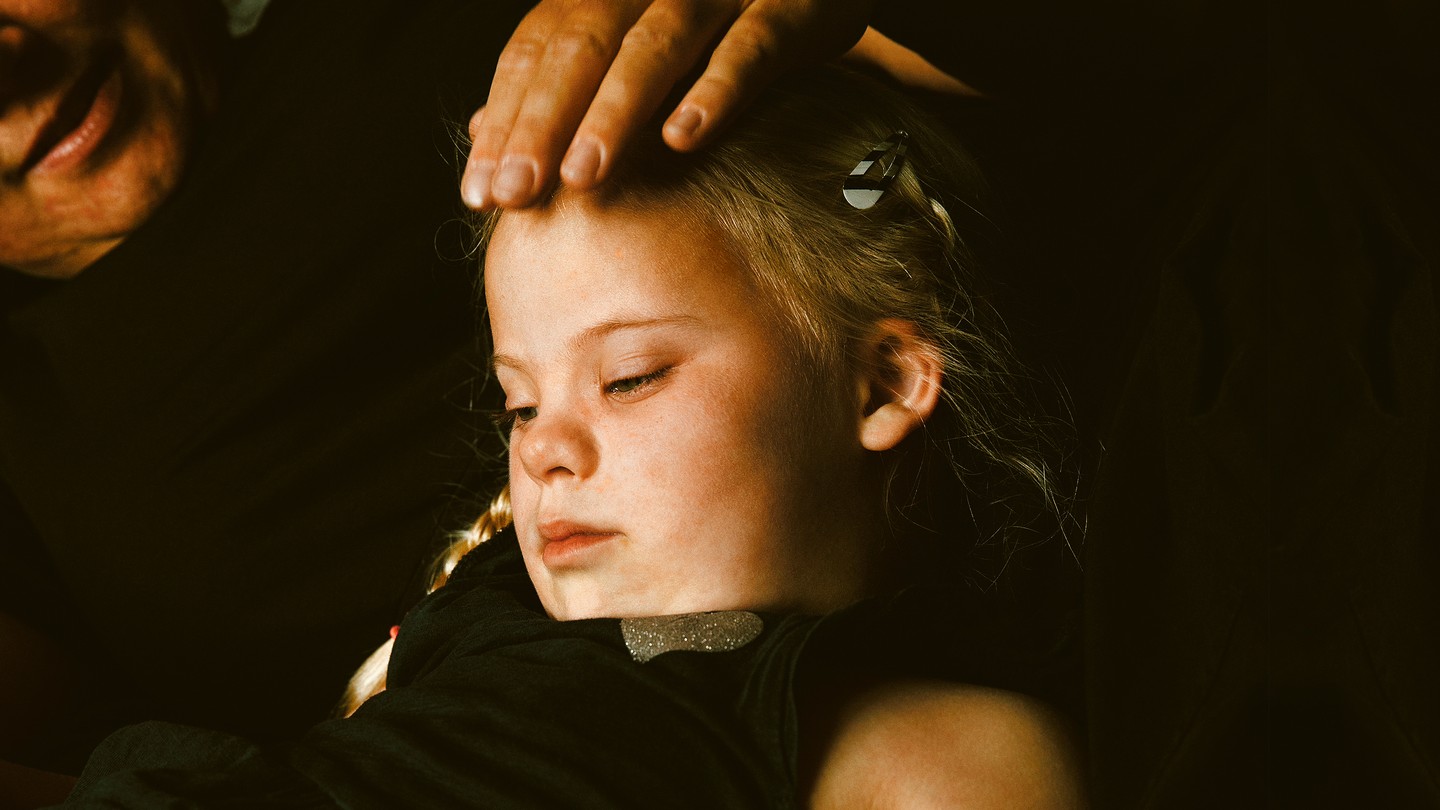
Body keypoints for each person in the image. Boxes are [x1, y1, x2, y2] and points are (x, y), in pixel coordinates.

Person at [8, 64, 1086, 808]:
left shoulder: (906, 742)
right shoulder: (496, 618)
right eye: (518, 403)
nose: (540, 450)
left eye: (628, 378)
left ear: (884, 381)